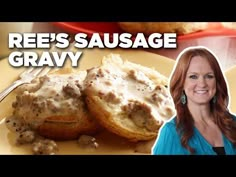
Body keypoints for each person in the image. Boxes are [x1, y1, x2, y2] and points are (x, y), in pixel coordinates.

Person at [152, 46, 236, 155]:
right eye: (193, 77)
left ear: (217, 82)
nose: (202, 84)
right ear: (181, 83)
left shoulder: (233, 124)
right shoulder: (171, 132)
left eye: (209, 76)